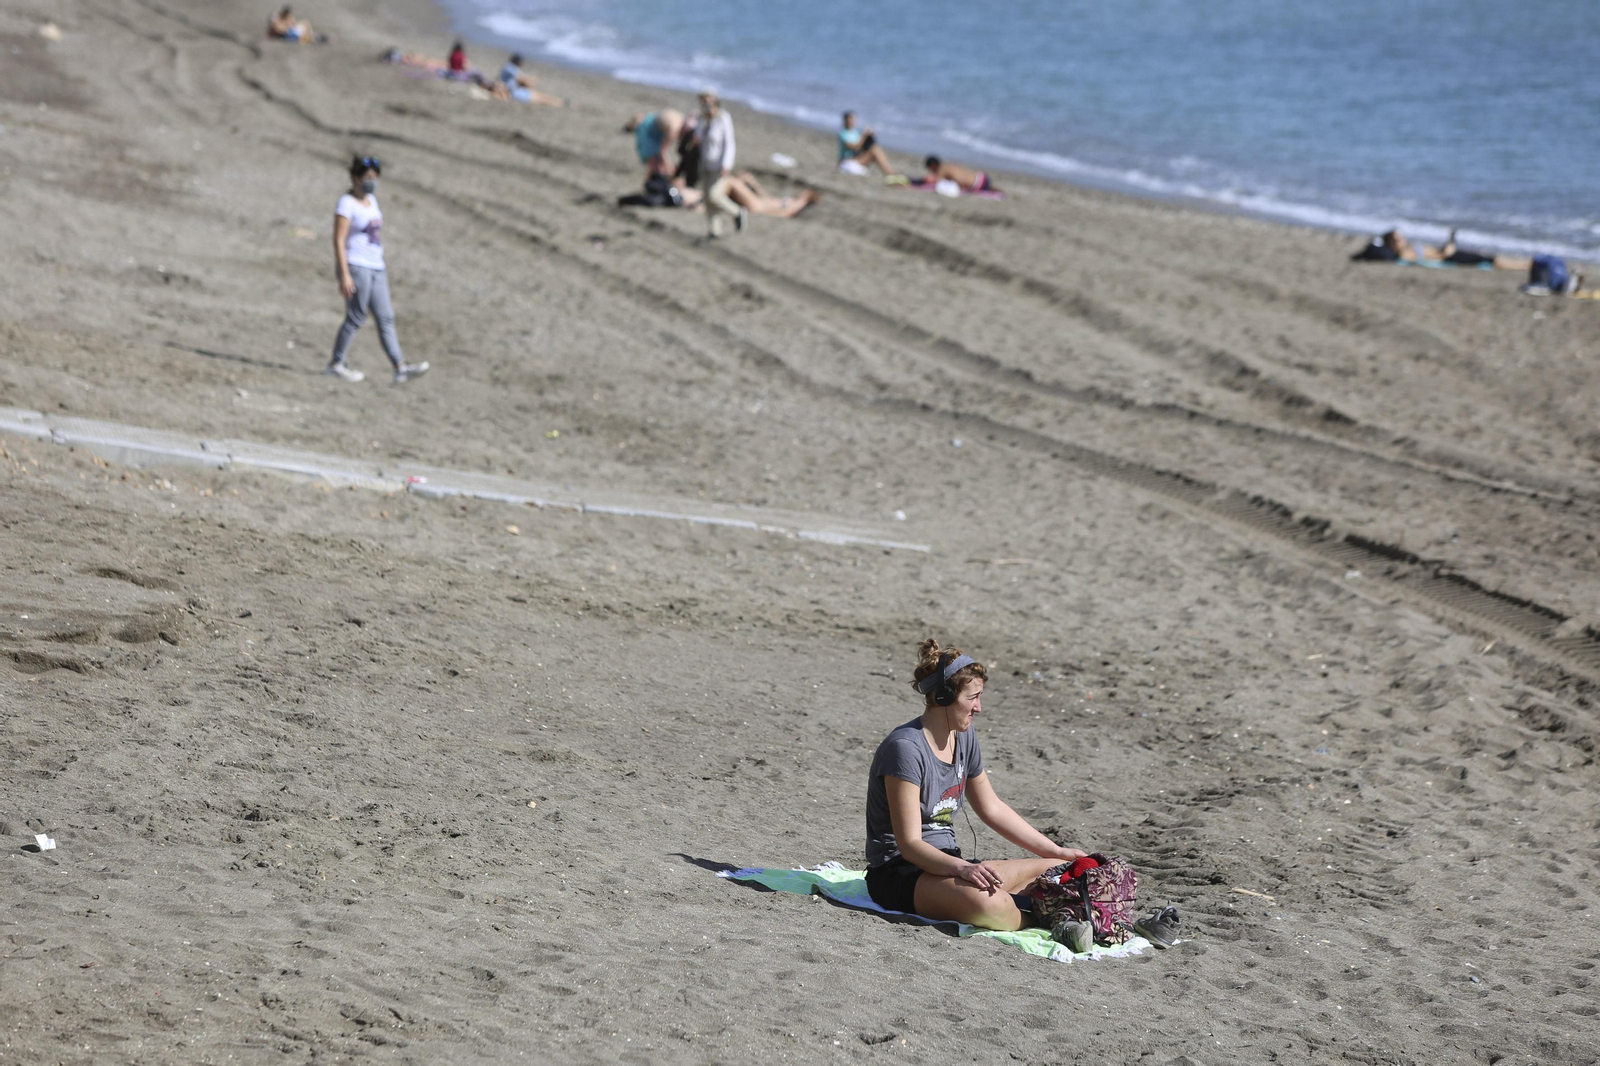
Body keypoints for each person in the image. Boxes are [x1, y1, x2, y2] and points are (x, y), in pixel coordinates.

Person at [864, 639, 1094, 944]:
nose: (979, 707)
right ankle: (1049, 921)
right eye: (973, 697)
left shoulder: (964, 736)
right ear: (945, 697)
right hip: (900, 874)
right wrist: (963, 869)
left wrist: (1056, 851)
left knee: (1073, 870)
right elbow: (909, 845)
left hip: (950, 865)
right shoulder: (904, 749)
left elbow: (991, 807)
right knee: (990, 903)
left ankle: (1051, 910)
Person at [326, 156, 429, 385]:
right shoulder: (346, 204)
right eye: (368, 177)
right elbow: (338, 240)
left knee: (386, 318)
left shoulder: (372, 201)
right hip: (356, 266)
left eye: (375, 177)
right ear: (355, 178)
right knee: (355, 317)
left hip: (376, 267)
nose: (372, 182)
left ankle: (400, 368)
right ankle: (336, 364)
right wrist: (344, 274)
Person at [1351, 228, 1530, 270]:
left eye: (1401, 236)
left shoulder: (1409, 247)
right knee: (1493, 260)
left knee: (1491, 258)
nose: (1402, 239)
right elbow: (1428, 259)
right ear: (1391, 243)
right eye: (1397, 239)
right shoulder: (1405, 253)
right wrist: (1445, 254)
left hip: (1446, 254)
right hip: (1449, 258)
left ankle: (1528, 264)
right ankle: (1526, 266)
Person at [698, 91, 744, 238]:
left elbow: (729, 143)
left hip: (719, 166)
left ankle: (737, 212)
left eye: (708, 101)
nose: (706, 104)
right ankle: (714, 230)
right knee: (707, 199)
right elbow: (697, 138)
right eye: (703, 101)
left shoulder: (723, 118)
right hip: (705, 164)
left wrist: (726, 164)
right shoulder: (702, 119)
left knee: (714, 196)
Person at [724, 171, 820, 219]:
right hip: (758, 202)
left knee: (732, 182)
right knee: (741, 178)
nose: (804, 191)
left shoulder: (799, 204)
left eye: (807, 191)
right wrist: (754, 184)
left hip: (758, 205)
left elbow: (785, 214)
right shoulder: (794, 201)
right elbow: (766, 198)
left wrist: (765, 213)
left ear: (808, 195)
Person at [625, 110, 685, 178]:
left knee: (659, 165)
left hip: (656, 124)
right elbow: (662, 151)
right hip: (648, 131)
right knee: (653, 164)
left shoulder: (681, 120)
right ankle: (651, 185)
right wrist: (670, 167)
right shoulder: (673, 130)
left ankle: (656, 183)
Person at [837, 111, 896, 177]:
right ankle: (890, 174)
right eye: (849, 119)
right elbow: (854, 147)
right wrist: (864, 135)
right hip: (847, 161)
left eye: (853, 119)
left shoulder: (854, 132)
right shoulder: (843, 133)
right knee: (875, 150)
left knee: (875, 148)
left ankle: (890, 173)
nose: (851, 121)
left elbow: (860, 146)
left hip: (856, 158)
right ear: (845, 120)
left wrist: (869, 137)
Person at [497, 54, 564, 106]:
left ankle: (558, 101)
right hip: (513, 92)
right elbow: (522, 78)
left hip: (515, 90)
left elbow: (520, 79)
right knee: (539, 98)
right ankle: (558, 102)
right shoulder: (510, 67)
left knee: (539, 96)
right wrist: (531, 80)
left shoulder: (510, 67)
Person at [922, 155, 997, 193]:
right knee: (990, 187)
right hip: (981, 176)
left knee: (986, 187)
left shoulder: (942, 170)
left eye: (930, 168)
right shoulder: (949, 164)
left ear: (933, 165)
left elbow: (937, 182)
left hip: (977, 185)